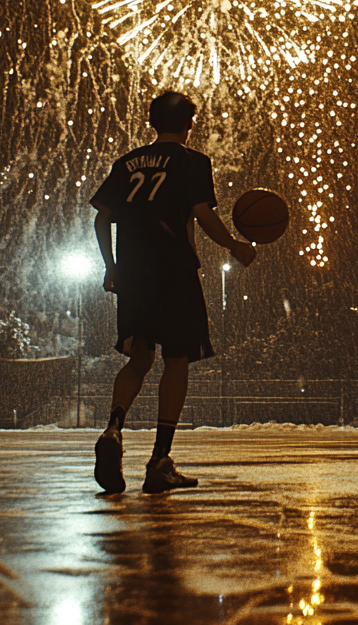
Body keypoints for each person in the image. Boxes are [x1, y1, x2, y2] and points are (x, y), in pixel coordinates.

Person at [88, 91, 257, 494]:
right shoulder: (192, 162)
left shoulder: (126, 164)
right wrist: (235, 246)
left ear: (151, 121)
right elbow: (201, 212)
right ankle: (160, 460)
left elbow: (102, 219)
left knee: (140, 356)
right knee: (177, 359)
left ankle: (113, 428)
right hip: (174, 271)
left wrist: (111, 267)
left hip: (133, 272)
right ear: (190, 124)